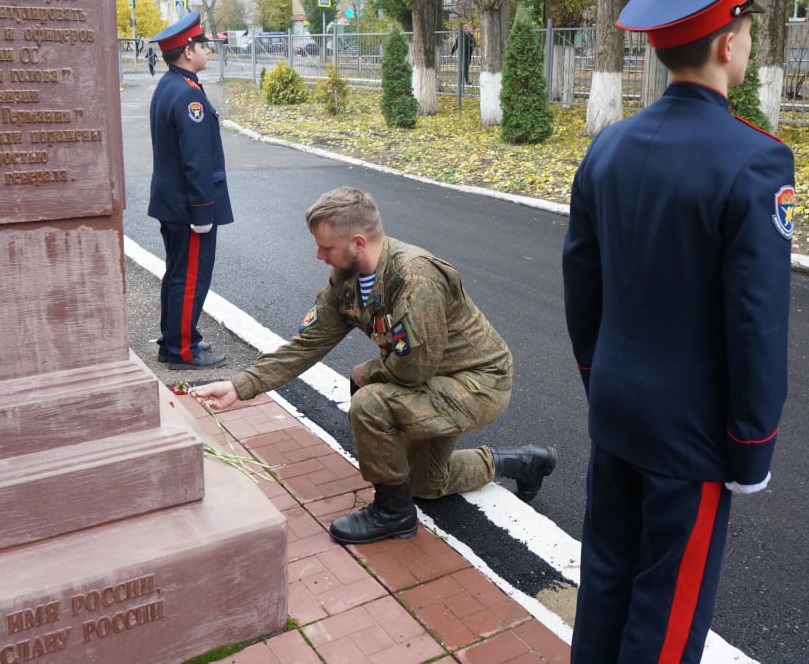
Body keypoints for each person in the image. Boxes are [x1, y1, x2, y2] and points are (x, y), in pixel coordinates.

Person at [562, 0, 793, 664]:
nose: (748, 43)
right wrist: (752, 447)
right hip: (690, 435)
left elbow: (582, 278)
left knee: (605, 579)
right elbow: (755, 322)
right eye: (748, 30)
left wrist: (600, 378)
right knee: (667, 610)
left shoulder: (610, 145)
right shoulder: (754, 159)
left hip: (618, 405)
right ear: (728, 46)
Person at [195, 187, 556, 544]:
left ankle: (393, 514)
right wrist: (240, 385)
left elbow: (414, 369)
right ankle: (523, 462)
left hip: (476, 384)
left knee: (370, 403)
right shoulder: (347, 279)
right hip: (433, 379)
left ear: (357, 242)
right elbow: (309, 343)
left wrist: (368, 374)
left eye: (326, 247)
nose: (319, 255)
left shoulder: (416, 280)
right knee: (425, 484)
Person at [148, 11, 230, 370]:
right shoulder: (187, 96)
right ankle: (183, 350)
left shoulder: (171, 85)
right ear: (187, 50)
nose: (207, 51)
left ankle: (174, 342)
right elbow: (195, 160)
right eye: (202, 46)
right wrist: (202, 211)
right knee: (190, 277)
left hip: (172, 204)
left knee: (178, 274)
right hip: (189, 207)